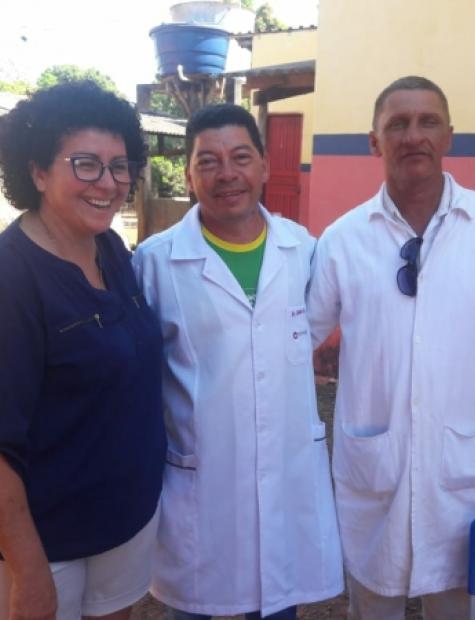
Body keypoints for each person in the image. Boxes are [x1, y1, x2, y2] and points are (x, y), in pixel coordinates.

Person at [306, 76, 475, 619]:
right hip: (376, 463)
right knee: (373, 598)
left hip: (463, 464)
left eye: (427, 122)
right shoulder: (343, 239)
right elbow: (299, 338)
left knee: (461, 597)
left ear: (448, 136)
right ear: (374, 141)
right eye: (397, 124)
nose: (413, 135)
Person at [0, 80, 166, 620]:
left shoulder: (110, 250)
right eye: (86, 164)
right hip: (26, 552)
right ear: (37, 171)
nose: (108, 182)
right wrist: (30, 573)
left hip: (115, 527)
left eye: (119, 166)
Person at [132, 103, 343, 619]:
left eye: (241, 157)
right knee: (195, 607)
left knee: (277, 604)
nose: (227, 174)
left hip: (286, 478)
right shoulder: (154, 262)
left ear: (265, 166)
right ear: (189, 176)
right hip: (201, 485)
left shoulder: (304, 252)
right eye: (208, 161)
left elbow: (304, 337)